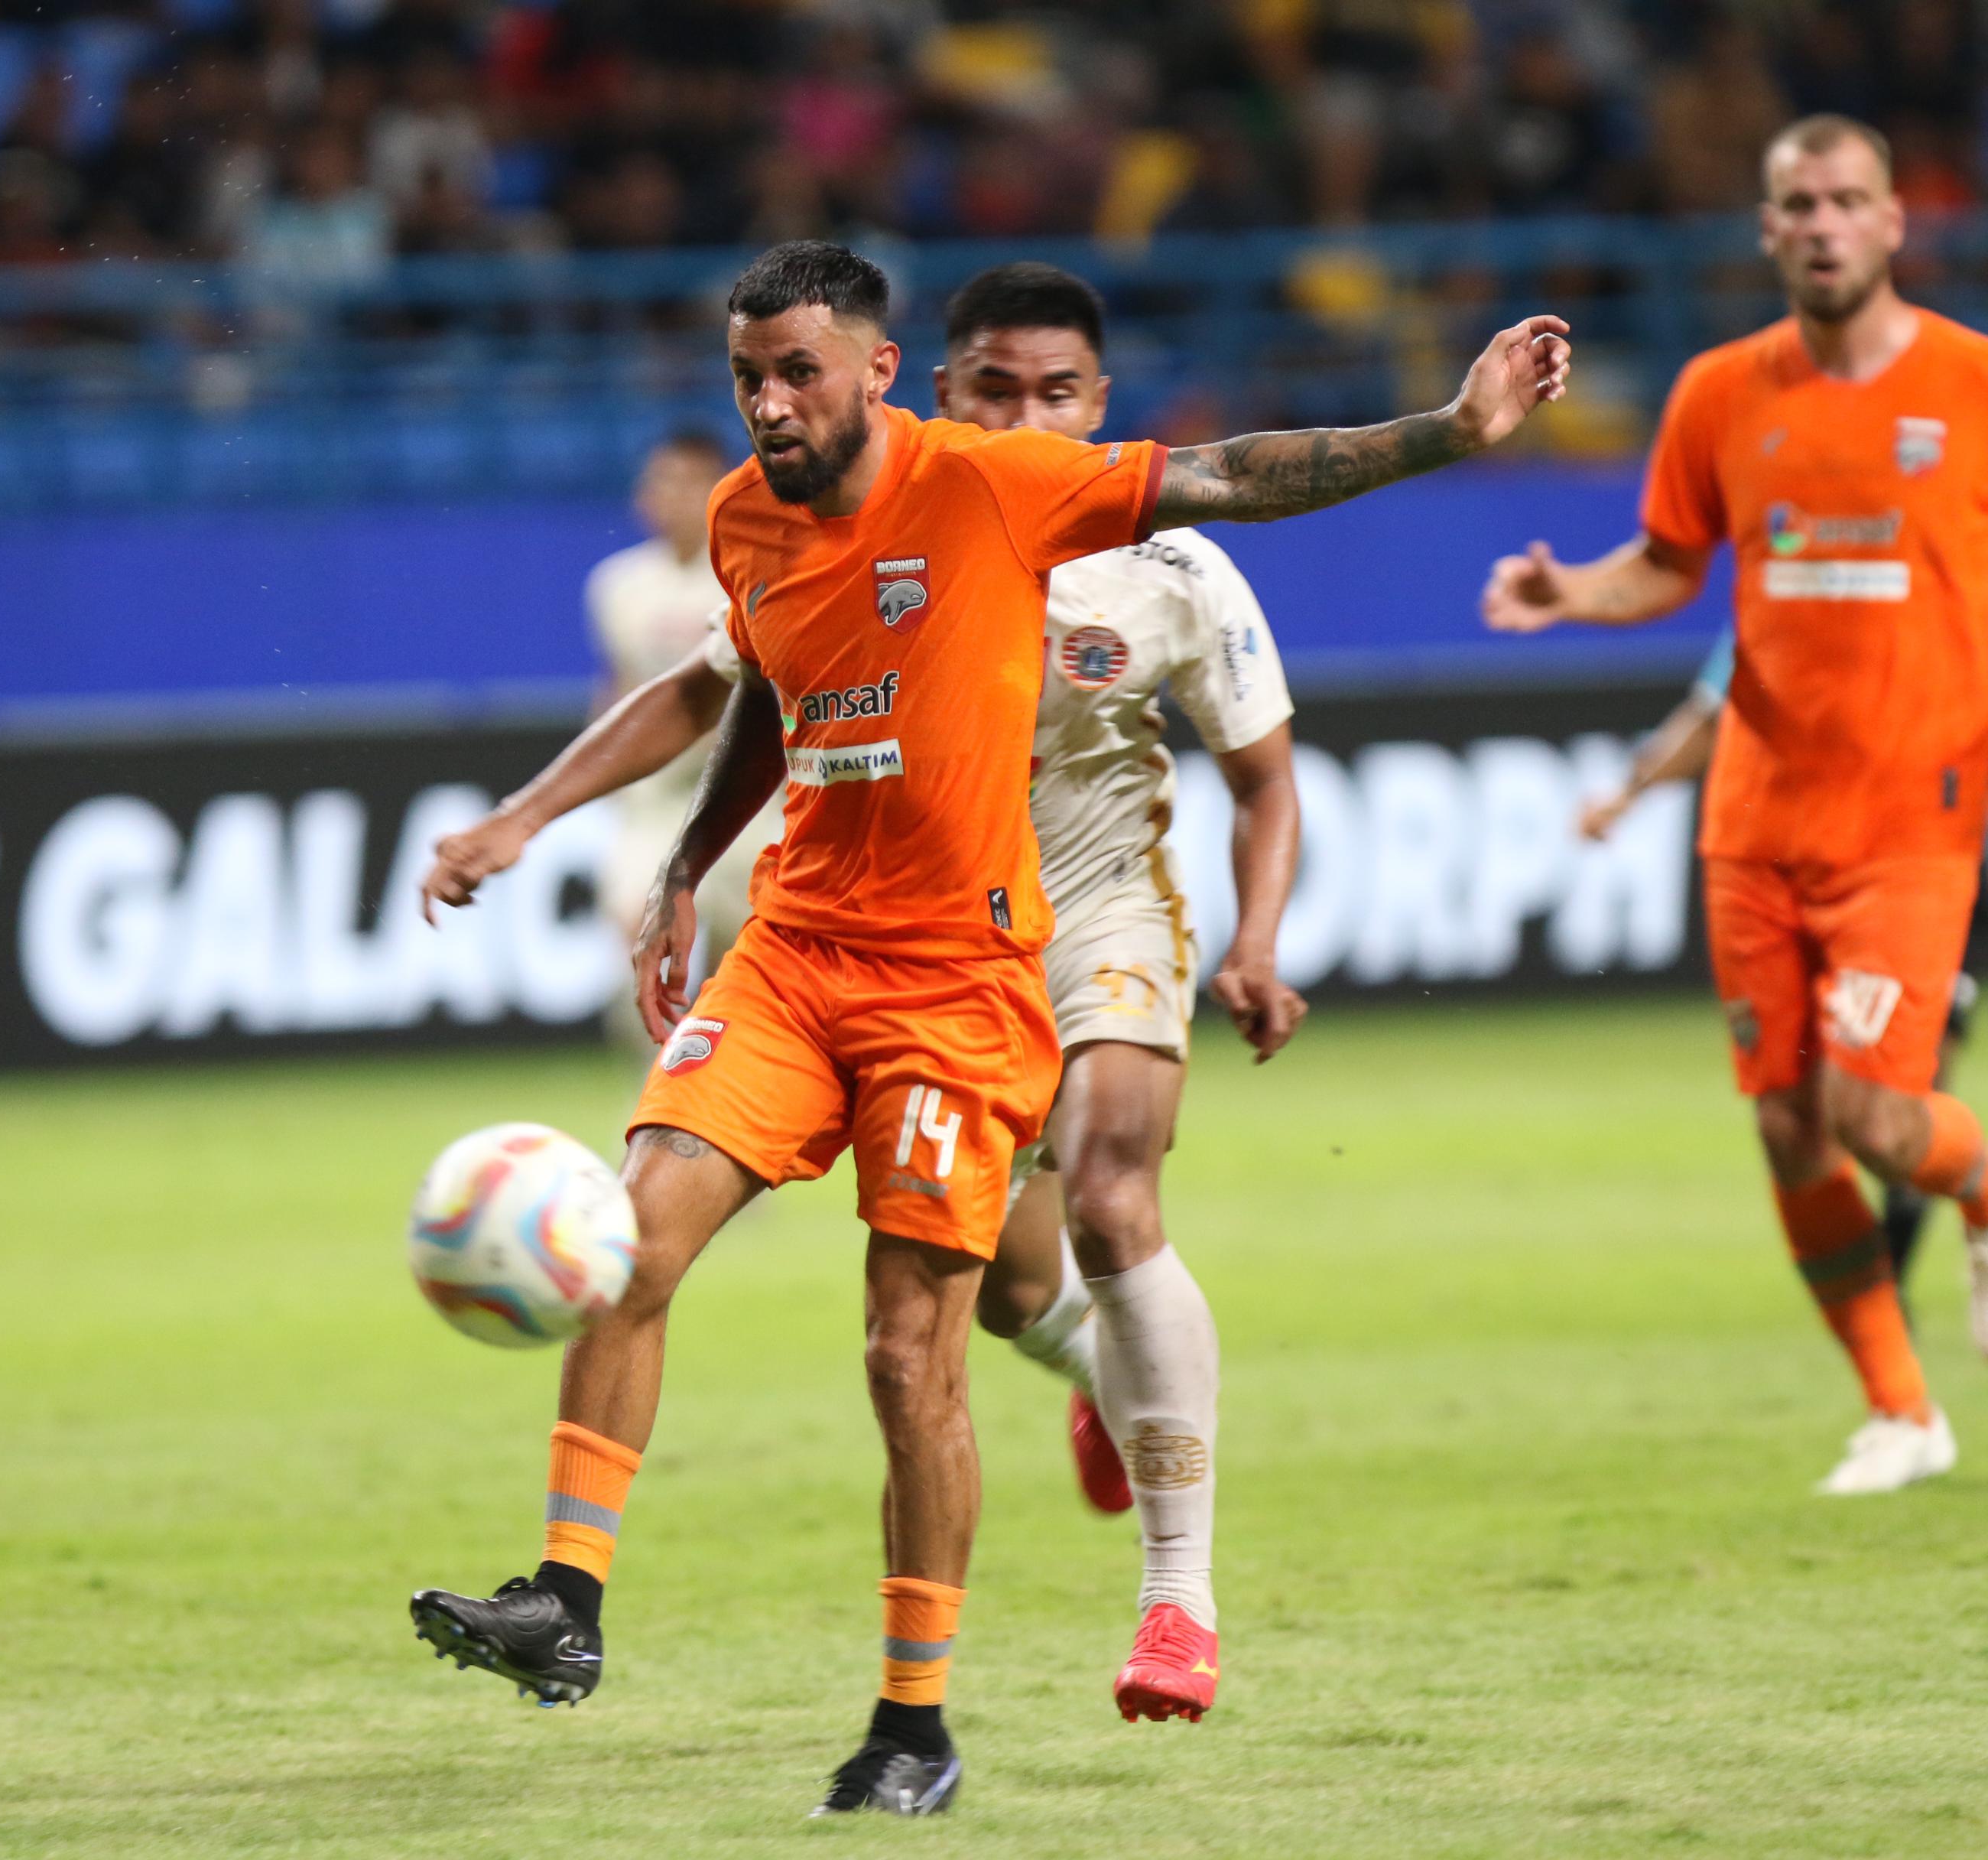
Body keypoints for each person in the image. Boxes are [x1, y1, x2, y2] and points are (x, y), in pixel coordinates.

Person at [413, 239, 1567, 1818]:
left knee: (910, 1355)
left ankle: (913, 1723)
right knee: (624, 1241)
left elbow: (1238, 473)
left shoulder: (993, 485)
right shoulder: (746, 523)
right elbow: (761, 693)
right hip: (798, 953)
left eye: (795, 372)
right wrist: (677, 859)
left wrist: (1447, 428)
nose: (766, 404)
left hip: (960, 986)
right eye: (746, 376)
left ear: (877, 370)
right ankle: (566, 1596)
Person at [1482, 115, 1988, 1495]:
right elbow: (1666, 564)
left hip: (1909, 817)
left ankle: (1977, 1178)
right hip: (1754, 819)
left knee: (1873, 1116)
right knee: (1781, 1124)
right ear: (1765, 230)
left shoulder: (1971, 385)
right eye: (1795, 204)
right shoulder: (1717, 390)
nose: (1820, 224)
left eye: (1845, 201)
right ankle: (1900, 1408)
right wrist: (1565, 593)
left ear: (1893, 222)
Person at [1579, 625, 1987, 1325]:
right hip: (1825, 877)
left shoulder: (1944, 589)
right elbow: (1710, 714)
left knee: (1912, 1092)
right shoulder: (1777, 596)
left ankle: (1904, 1270)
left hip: (1935, 867)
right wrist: (1630, 790)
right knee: (1825, 1110)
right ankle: (1890, 1321)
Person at [582, 430, 779, 1024]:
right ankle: (654, 1102)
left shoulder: (748, 572)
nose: (666, 497)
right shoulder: (618, 585)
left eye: (684, 483)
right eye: (657, 483)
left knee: (754, 979)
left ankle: (737, 1106)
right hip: (658, 805)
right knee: (635, 941)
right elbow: (617, 688)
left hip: (755, 801)